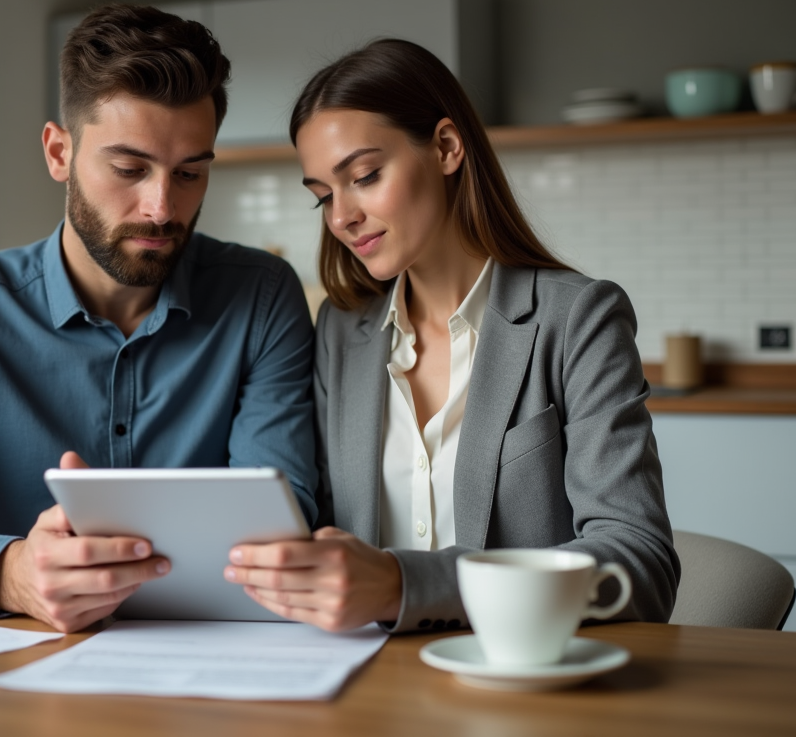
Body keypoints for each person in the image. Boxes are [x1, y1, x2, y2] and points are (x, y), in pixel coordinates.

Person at [0, 3, 317, 634]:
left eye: (189, 173)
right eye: (128, 169)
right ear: (58, 152)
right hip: (11, 666)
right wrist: (8, 573)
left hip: (220, 661)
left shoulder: (261, 297)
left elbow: (282, 519)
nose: (161, 206)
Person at [224, 39, 679, 633]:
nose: (342, 217)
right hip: (365, 689)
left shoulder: (577, 319)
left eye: (364, 176)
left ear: (445, 147)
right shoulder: (341, 332)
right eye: (323, 198)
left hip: (527, 692)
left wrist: (405, 586)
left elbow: (638, 563)